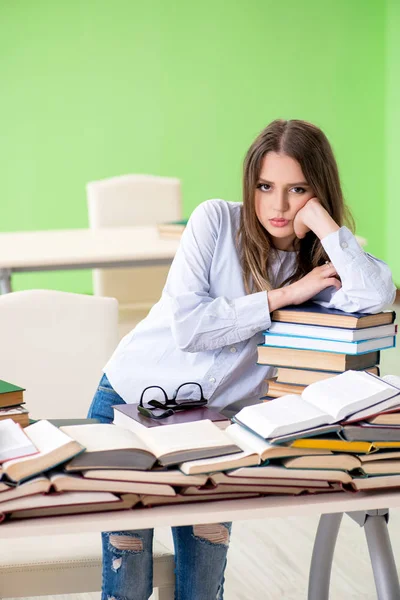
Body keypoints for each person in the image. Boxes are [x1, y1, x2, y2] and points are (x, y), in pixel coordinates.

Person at [88, 118, 396, 600]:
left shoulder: (321, 263)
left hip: (214, 430)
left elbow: (377, 295)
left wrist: (322, 223)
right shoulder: (215, 221)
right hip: (129, 404)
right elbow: (190, 328)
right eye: (265, 186)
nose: (278, 205)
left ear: (319, 192)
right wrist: (287, 295)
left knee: (203, 585)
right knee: (129, 580)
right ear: (249, 184)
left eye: (298, 189)